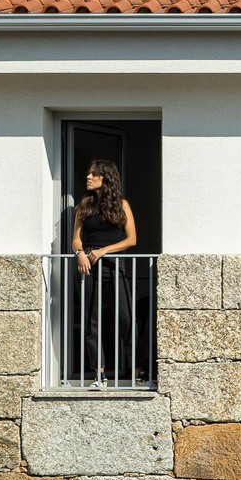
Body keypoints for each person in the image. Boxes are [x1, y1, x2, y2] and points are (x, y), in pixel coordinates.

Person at [72, 159, 137, 386]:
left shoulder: (121, 204)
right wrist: (80, 253)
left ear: (105, 177)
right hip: (88, 266)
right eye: (88, 173)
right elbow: (76, 239)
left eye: (93, 174)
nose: (88, 177)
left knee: (125, 319)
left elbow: (132, 239)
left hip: (112, 265)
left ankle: (137, 369)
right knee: (91, 321)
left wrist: (105, 250)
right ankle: (99, 374)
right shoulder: (84, 205)